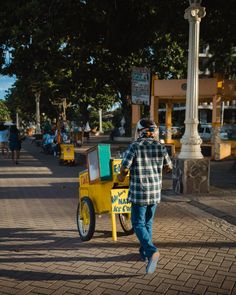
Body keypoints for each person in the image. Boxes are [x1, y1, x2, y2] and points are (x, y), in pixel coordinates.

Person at [117, 118, 172, 275]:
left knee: (137, 224)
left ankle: (151, 250)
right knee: (147, 223)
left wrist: (121, 177)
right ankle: (144, 254)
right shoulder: (160, 146)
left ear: (139, 131)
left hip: (139, 193)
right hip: (155, 192)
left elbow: (124, 168)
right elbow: (169, 167)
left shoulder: (135, 146)